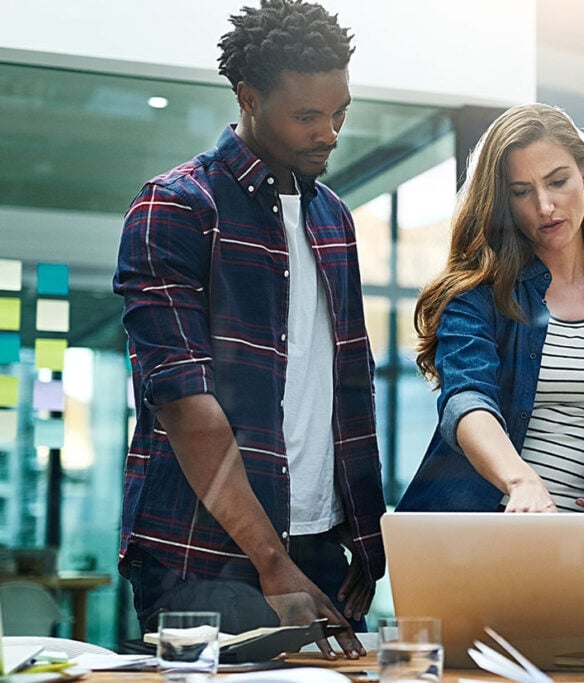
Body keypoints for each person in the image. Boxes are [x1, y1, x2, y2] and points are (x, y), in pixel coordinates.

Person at [113, 0, 385, 658]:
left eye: (340, 112)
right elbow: (184, 404)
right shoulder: (178, 205)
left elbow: (347, 389)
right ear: (248, 97)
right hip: (203, 554)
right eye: (307, 116)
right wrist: (271, 562)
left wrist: (367, 542)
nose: (329, 132)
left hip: (317, 548)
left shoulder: (333, 220)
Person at [396, 103, 584, 513]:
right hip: (478, 543)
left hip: (582, 552)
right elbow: (467, 401)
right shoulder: (477, 298)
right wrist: (521, 481)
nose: (544, 207)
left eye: (557, 181)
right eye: (522, 192)